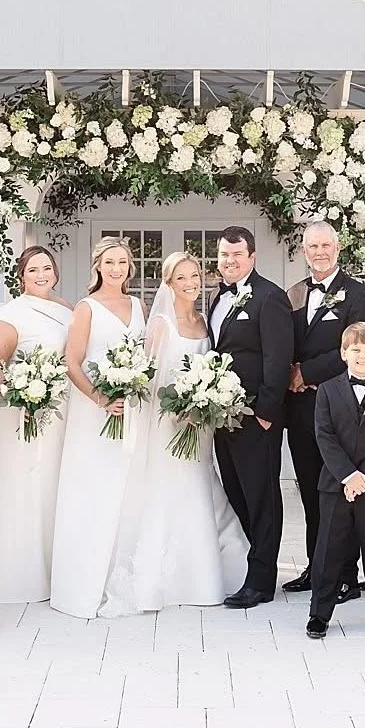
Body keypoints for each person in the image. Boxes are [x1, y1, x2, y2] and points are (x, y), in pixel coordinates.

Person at [102, 251, 251, 615]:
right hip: (169, 424)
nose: (191, 283)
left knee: (201, 485)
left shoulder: (204, 320)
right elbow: (148, 379)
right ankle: (172, 579)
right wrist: (179, 408)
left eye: (195, 276)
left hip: (199, 423)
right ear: (169, 284)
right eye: (182, 278)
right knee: (171, 490)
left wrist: (203, 403)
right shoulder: (161, 326)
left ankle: (214, 571)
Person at [50, 238, 147, 619]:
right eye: (110, 262)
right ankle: (86, 576)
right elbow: (72, 361)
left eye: (123, 261)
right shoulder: (86, 308)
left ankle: (125, 571)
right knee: (94, 487)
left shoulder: (139, 305)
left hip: (131, 409)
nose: (117, 268)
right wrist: (100, 398)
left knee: (128, 487)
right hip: (95, 411)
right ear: (97, 265)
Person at [284, 221, 365, 597]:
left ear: (338, 249)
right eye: (312, 246)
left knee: (341, 489)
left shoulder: (359, 295)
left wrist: (306, 371)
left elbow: (357, 349)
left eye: (326, 245)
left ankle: (347, 574)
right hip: (302, 408)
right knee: (310, 491)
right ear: (304, 251)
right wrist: (289, 373)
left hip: (340, 407)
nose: (319, 252)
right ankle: (316, 568)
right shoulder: (294, 293)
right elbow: (285, 342)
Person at [0, 247, 73, 605]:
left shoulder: (66, 309)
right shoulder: (11, 313)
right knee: (27, 487)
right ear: (21, 275)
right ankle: (21, 577)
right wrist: (19, 397)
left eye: (46, 268)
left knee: (56, 486)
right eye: (33, 269)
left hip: (63, 410)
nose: (41, 274)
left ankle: (58, 571)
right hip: (26, 414)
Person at [210, 226, 294, 609]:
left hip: (255, 416)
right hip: (222, 415)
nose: (230, 261)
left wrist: (265, 413)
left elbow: (278, 359)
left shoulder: (270, 297)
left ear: (252, 257)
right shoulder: (217, 297)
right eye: (224, 255)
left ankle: (261, 581)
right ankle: (250, 564)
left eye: (237, 255)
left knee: (261, 497)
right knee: (237, 493)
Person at [305, 322, 365, 640]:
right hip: (335, 485)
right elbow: (324, 436)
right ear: (343, 353)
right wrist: (348, 475)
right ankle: (319, 614)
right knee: (328, 552)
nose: (363, 356)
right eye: (356, 350)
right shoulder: (327, 390)